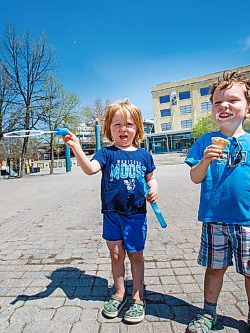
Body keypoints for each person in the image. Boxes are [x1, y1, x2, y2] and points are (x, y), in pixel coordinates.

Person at [184, 71, 250, 333]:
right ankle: (209, 314)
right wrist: (205, 160)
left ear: (249, 109)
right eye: (218, 102)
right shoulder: (203, 142)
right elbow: (195, 178)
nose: (224, 106)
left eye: (232, 100)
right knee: (214, 269)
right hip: (214, 220)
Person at [62, 100, 158, 324]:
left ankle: (137, 296)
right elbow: (90, 169)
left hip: (135, 215)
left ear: (138, 129)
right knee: (116, 255)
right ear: (108, 130)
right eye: (117, 125)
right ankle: (119, 292)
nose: (123, 129)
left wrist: (153, 191)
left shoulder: (144, 155)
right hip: (111, 214)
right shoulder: (106, 153)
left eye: (129, 124)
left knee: (135, 255)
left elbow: (151, 179)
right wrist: (76, 148)